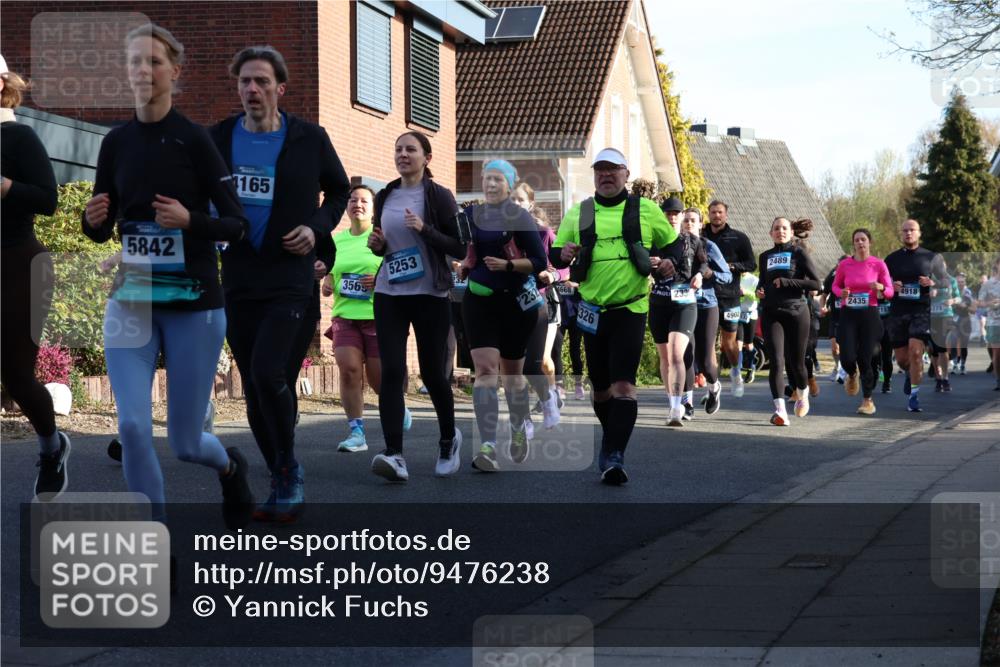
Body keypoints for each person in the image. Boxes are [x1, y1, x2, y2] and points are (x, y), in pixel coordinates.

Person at [83, 24, 253, 526]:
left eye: (153, 62)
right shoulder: (115, 142)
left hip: (194, 304)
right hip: (132, 297)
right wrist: (91, 222)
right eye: (134, 61)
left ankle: (228, 467)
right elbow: (102, 223)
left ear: (174, 73)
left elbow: (237, 224)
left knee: (184, 443)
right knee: (133, 427)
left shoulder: (195, 140)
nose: (142, 70)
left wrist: (190, 221)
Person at [208, 45, 349, 521]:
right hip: (240, 275)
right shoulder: (220, 137)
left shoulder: (309, 138)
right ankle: (279, 471)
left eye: (261, 82)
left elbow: (340, 191)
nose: (252, 89)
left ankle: (288, 470)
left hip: (290, 274)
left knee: (270, 373)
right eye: (245, 81)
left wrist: (315, 226)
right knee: (253, 384)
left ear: (279, 89)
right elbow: (199, 188)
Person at [550, 148, 677, 484]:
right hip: (591, 311)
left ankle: (615, 456)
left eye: (613, 170)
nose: (606, 176)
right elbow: (556, 256)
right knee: (601, 389)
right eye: (600, 171)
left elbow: (674, 246)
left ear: (626, 174)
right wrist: (561, 254)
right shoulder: (580, 213)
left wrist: (668, 262)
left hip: (631, 309)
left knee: (624, 386)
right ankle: (611, 442)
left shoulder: (644, 209)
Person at [367, 131, 466, 482]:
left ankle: (448, 439)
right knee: (392, 372)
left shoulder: (439, 196)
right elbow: (384, 245)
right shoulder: (386, 195)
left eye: (410, 149)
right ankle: (394, 454)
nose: (403, 155)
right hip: (389, 293)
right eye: (398, 149)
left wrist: (425, 229)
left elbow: (459, 247)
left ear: (427, 157)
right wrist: (376, 244)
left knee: (432, 373)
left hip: (430, 294)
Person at [0, 58, 69, 498]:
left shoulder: (19, 136)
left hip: (19, 264)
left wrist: (4, 186)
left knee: (16, 375)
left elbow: (49, 200)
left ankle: (51, 446)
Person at [458, 161, 547, 471]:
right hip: (479, 302)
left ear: (509, 185)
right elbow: (457, 246)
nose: (491, 184)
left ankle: (519, 427)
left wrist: (508, 266)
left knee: (512, 377)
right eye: (487, 179)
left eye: (497, 179)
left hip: (515, 305)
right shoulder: (470, 215)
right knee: (484, 372)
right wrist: (463, 262)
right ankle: (488, 445)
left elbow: (538, 261)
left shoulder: (520, 217)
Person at [320, 185, 384, 453]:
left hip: (377, 317)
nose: (357, 204)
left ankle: (395, 406)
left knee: (379, 379)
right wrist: (327, 281)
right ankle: (356, 432)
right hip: (345, 315)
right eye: (352, 200)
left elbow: (396, 270)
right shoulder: (336, 241)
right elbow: (331, 273)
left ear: (373, 208)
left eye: (364, 200)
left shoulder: (382, 238)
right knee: (349, 371)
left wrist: (378, 280)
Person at [756, 217, 821, 426]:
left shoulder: (798, 253)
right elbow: (763, 282)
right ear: (770, 233)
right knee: (776, 361)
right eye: (776, 228)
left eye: (784, 228)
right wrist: (760, 290)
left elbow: (816, 283)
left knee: (797, 363)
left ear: (791, 232)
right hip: (771, 313)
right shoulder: (764, 256)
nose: (780, 231)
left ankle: (802, 393)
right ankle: (780, 411)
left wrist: (787, 282)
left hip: (796, 312)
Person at [649, 199, 707, 427]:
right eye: (668, 213)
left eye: (676, 213)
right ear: (662, 216)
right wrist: (650, 263)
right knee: (664, 358)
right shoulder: (652, 240)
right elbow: (640, 264)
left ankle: (676, 408)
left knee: (676, 355)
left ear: (682, 216)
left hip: (685, 303)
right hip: (659, 302)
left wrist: (700, 275)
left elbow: (703, 264)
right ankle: (672, 401)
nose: (672, 217)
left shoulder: (692, 241)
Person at [511, 181, 562, 434]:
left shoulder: (544, 234)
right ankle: (525, 421)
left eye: (520, 200)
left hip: (540, 302)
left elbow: (563, 264)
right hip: (508, 305)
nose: (515, 205)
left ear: (530, 204)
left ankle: (548, 400)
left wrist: (553, 275)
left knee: (535, 364)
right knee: (513, 369)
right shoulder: (499, 234)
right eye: (511, 200)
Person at [883, 219, 948, 413]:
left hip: (920, 310)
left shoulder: (931, 257)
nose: (908, 233)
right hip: (897, 312)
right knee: (903, 360)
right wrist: (891, 287)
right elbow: (882, 283)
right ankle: (909, 374)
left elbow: (945, 280)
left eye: (912, 230)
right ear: (901, 234)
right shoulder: (892, 259)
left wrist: (932, 282)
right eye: (905, 231)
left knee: (916, 352)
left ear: (919, 233)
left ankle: (913, 396)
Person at [831, 229, 894, 415]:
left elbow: (890, 291)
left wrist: (882, 287)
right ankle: (851, 374)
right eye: (857, 240)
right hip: (848, 314)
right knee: (848, 357)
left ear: (869, 242)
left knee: (865, 358)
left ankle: (867, 401)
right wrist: (839, 293)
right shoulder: (845, 265)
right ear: (853, 244)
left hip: (869, 314)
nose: (860, 243)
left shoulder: (878, 264)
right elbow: (835, 285)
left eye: (863, 239)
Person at [702, 200, 756, 398]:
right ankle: (712, 385)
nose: (716, 216)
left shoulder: (739, 238)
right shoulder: (700, 236)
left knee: (729, 344)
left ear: (726, 215)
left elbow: (751, 264)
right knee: (707, 345)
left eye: (720, 212)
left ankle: (735, 370)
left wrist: (731, 267)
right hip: (705, 296)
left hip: (730, 297)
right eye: (713, 212)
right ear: (708, 214)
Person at [684, 209, 732, 416]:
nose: (688, 224)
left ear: (700, 224)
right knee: (685, 356)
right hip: (683, 305)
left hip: (706, 304)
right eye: (685, 220)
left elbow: (727, 276)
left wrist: (709, 274)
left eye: (693, 220)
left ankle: (714, 387)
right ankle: (686, 404)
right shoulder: (675, 246)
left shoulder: (708, 246)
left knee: (705, 361)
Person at [929, 261, 960, 393]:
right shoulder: (930, 280)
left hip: (946, 316)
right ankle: (938, 378)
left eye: (942, 265)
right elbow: (921, 296)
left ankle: (945, 378)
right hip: (932, 317)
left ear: (945, 266)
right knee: (933, 351)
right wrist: (929, 295)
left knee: (942, 348)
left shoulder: (952, 280)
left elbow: (958, 297)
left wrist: (952, 301)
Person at [978, 258, 1000, 391]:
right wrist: (989, 303)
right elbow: (980, 302)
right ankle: (998, 380)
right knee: (997, 353)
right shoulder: (988, 284)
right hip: (994, 322)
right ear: (997, 265)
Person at [948, 272, 973, 375]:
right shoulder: (952, 291)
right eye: (958, 282)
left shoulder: (967, 292)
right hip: (954, 320)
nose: (960, 284)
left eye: (962, 282)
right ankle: (954, 364)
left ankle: (963, 364)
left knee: (964, 344)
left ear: (965, 282)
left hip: (965, 320)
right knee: (953, 341)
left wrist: (954, 302)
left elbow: (964, 305)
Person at [738, 269, 760, 384]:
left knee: (749, 344)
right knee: (738, 343)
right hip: (737, 314)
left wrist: (745, 292)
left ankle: (751, 368)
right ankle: (737, 371)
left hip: (751, 315)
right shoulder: (734, 277)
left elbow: (758, 297)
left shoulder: (754, 280)